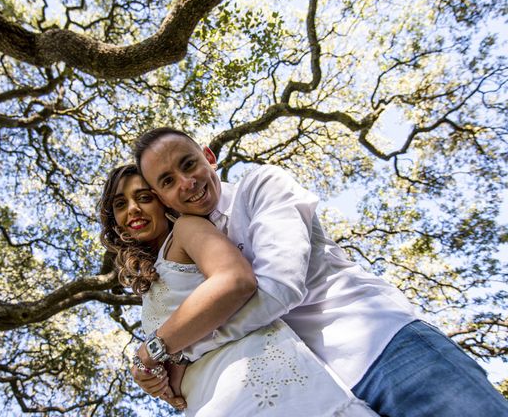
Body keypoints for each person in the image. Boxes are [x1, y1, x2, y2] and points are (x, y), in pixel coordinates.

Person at [131, 127, 508, 417]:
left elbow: (280, 287)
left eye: (188, 163)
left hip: (383, 351)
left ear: (209, 157)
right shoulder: (191, 253)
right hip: (316, 394)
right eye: (167, 181)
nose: (186, 182)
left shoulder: (261, 187)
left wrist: (179, 350)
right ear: (162, 198)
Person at [99, 163, 378, 416]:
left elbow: (235, 280)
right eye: (120, 204)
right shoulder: (151, 278)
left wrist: (152, 351)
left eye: (144, 197)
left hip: (259, 380)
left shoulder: (186, 229)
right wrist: (155, 378)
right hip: (209, 401)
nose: (132, 209)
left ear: (162, 201)